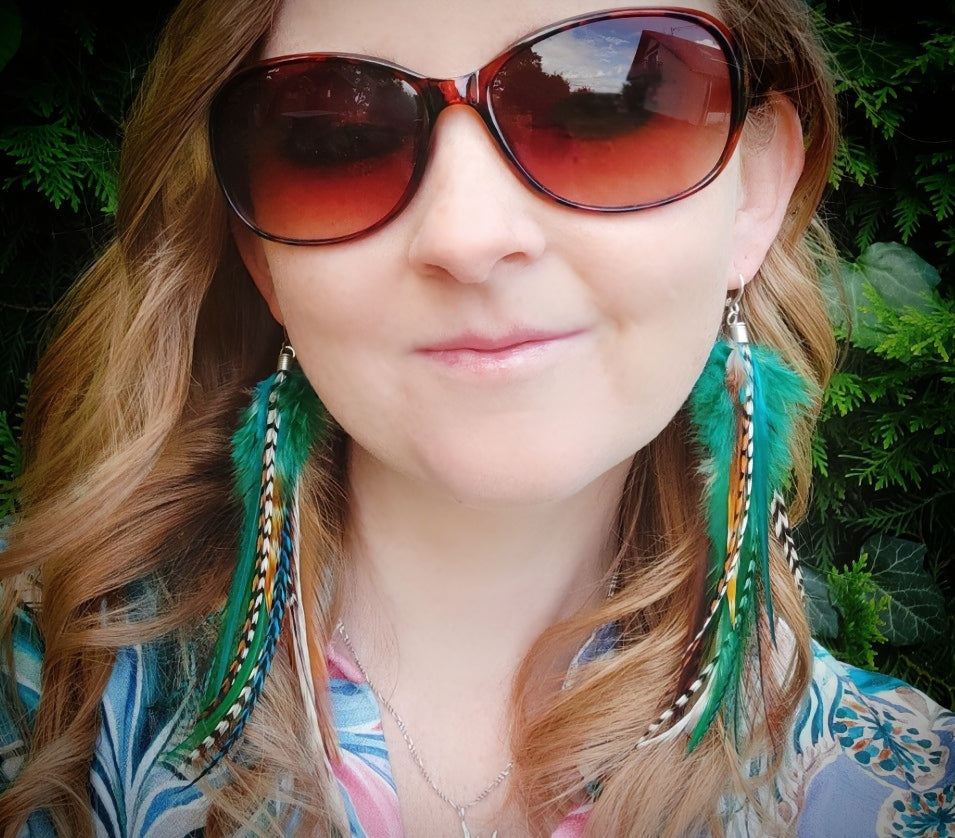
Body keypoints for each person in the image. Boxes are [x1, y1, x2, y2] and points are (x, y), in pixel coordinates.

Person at [1, 0, 952, 835]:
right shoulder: (38, 702)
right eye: (335, 139)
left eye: (605, 106)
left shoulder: (902, 794)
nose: (467, 236)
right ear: (260, 256)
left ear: (753, 189)